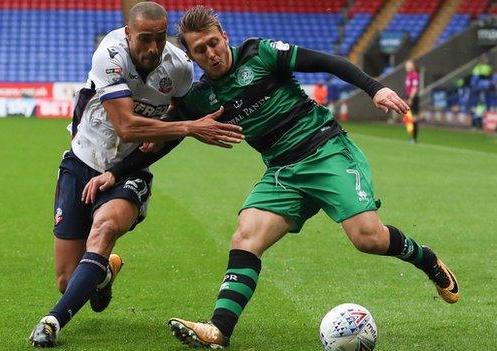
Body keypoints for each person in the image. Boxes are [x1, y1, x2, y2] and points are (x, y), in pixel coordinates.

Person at [153, 6, 457, 348]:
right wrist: (121, 169)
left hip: (325, 150)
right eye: (200, 50)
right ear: (192, 57)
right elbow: (169, 133)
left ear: (225, 37)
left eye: (213, 43)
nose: (211, 53)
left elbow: (329, 62)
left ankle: (426, 259)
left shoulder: (260, 53)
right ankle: (218, 330)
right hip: (283, 171)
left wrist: (374, 89)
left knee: (368, 238)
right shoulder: (202, 96)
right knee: (245, 237)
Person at [28, 2, 243, 347]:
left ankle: (52, 321)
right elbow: (126, 126)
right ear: (129, 33)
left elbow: (179, 117)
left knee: (106, 227)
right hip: (82, 162)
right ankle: (104, 273)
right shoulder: (109, 54)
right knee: (69, 281)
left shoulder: (180, 69)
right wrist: (187, 128)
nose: (153, 48)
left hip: (129, 172)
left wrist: (180, 128)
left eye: (160, 39)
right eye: (145, 39)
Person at [404, 60, 419, 143]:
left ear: (413, 66)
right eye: (407, 65)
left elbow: (415, 88)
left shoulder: (414, 75)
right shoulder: (408, 75)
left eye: (409, 65)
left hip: (413, 98)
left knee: (414, 118)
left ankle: (414, 138)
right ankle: (411, 137)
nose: (407, 67)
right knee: (408, 118)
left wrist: (411, 98)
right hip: (408, 97)